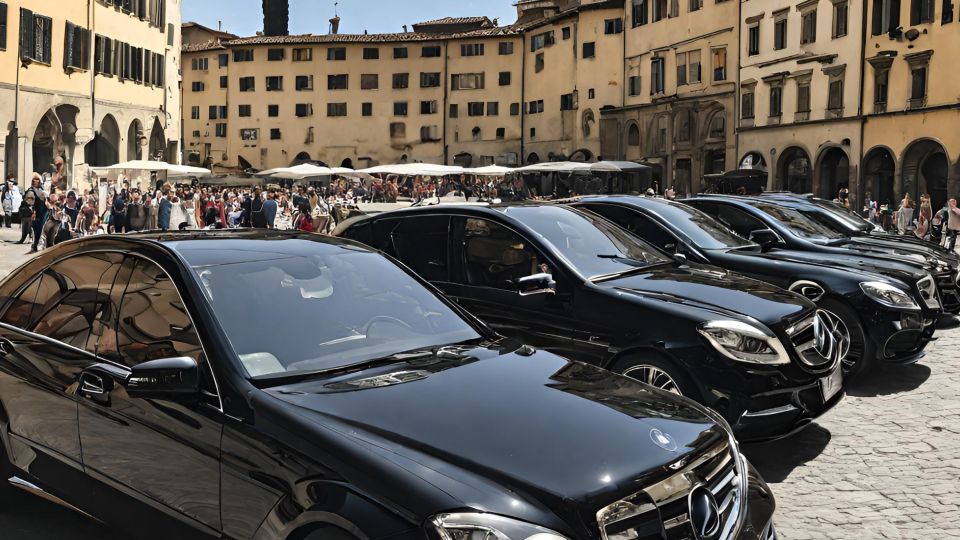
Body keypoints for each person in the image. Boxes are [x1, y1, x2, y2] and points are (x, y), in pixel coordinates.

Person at [27, 173, 46, 253]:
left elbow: (44, 201)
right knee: (35, 231)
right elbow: (29, 203)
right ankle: (34, 246)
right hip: (35, 214)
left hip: (42, 214)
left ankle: (36, 246)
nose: (37, 183)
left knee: (41, 231)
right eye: (36, 181)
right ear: (33, 182)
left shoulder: (41, 190)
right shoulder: (30, 191)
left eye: (38, 181)